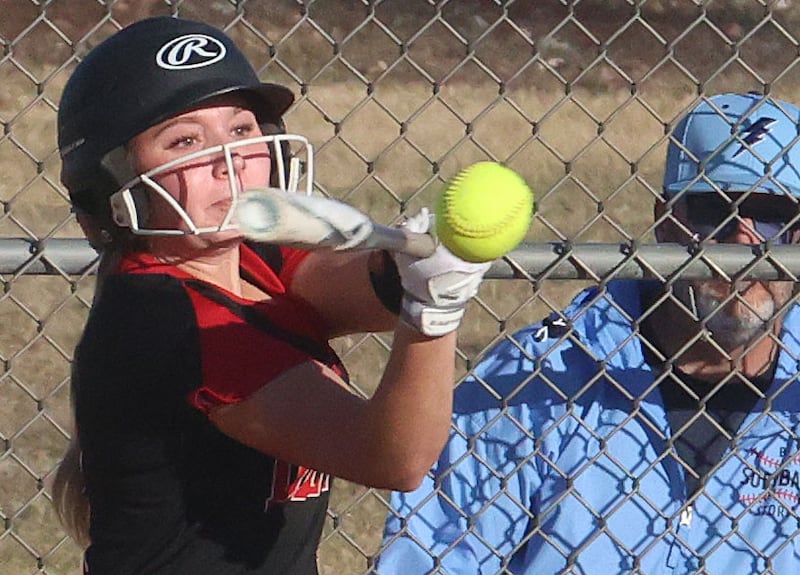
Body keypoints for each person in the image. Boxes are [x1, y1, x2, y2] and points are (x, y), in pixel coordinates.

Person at [50, 16, 492, 575]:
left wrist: (408, 261)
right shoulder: (166, 320)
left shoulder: (250, 258)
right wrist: (434, 309)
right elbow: (396, 458)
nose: (228, 159)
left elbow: (357, 290)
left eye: (240, 130)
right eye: (185, 140)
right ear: (113, 189)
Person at [378, 92, 800, 575]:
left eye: (773, 214)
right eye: (714, 209)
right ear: (666, 222)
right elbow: (431, 561)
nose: (744, 239)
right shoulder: (537, 375)